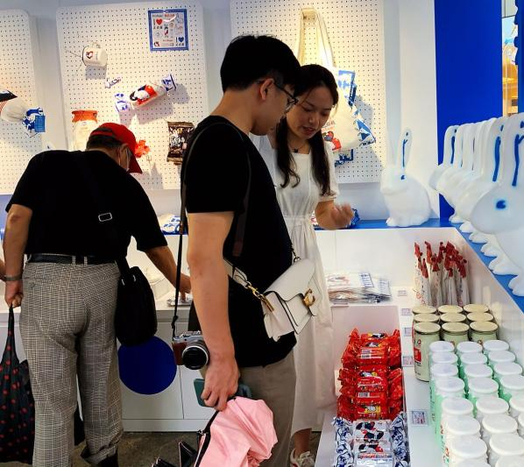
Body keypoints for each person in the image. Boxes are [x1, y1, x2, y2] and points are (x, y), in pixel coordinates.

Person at [2, 123, 191, 467]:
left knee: (53, 402)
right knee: (101, 387)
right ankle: (105, 460)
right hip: (103, 284)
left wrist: (13, 279)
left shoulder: (45, 163)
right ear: (123, 152)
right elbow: (154, 245)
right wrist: (183, 283)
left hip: (47, 283)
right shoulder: (124, 182)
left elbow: (16, 220)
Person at [182, 35, 300, 467]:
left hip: (253, 337)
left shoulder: (228, 140)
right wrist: (223, 356)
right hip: (248, 345)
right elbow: (203, 258)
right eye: (288, 100)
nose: (284, 113)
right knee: (261, 454)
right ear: (266, 88)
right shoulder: (221, 143)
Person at [254, 64, 354, 466]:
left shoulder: (322, 151)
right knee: (275, 353)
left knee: (308, 350)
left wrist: (337, 220)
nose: (314, 120)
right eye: (308, 108)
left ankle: (300, 448)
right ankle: (265, 446)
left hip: (305, 259)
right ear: (287, 99)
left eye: (324, 113)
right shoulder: (261, 144)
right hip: (267, 257)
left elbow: (322, 212)